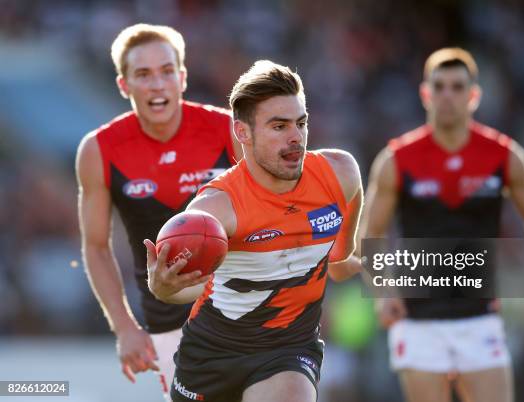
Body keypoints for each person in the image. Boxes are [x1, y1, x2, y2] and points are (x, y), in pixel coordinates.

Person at [144, 60, 363, 402]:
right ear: (243, 133)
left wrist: (342, 258)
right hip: (211, 356)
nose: (296, 137)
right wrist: (162, 288)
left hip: (288, 350)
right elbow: (186, 287)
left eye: (301, 123)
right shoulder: (215, 210)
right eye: (279, 126)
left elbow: (342, 252)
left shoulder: (341, 173)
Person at [360, 48, 524, 402]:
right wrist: (383, 293)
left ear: (474, 96)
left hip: (478, 315)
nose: (447, 95)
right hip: (417, 318)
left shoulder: (502, 155)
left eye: (456, 87)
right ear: (425, 94)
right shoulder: (397, 159)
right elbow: (371, 234)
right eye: (439, 86)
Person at [76, 23, 241, 400]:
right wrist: (124, 328)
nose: (157, 84)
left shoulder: (228, 130)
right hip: (168, 321)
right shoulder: (99, 149)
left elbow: (272, 212)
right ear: (124, 85)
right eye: (143, 74)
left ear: (182, 78)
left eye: (167, 71)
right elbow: (96, 247)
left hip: (243, 309)